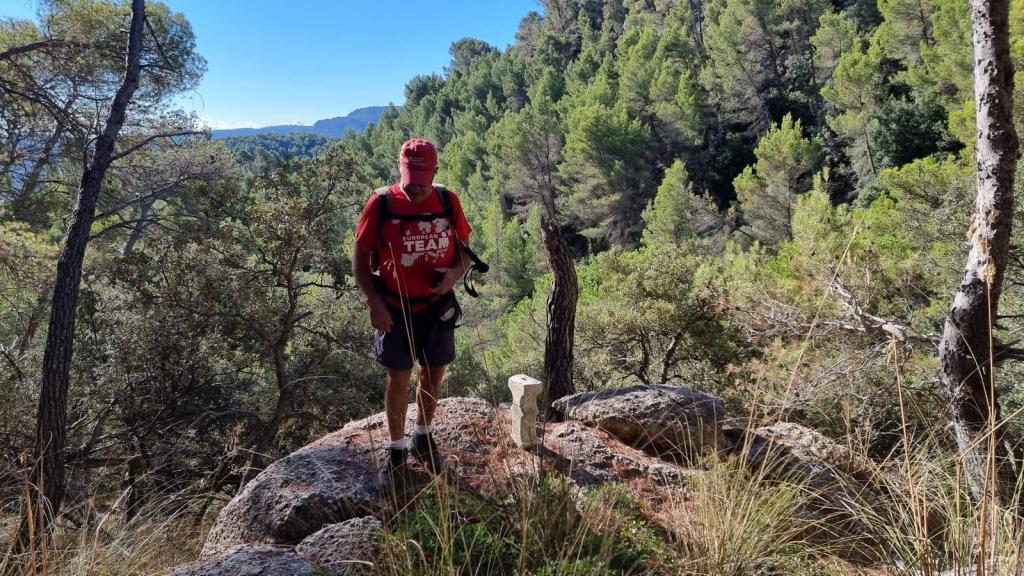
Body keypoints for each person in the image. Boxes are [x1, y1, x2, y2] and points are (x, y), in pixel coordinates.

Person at [351, 138, 472, 490]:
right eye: (410, 178)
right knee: (398, 377)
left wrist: (452, 276)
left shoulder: (448, 201)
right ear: (400, 170)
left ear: (434, 172)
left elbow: (465, 251)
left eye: (422, 178)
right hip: (393, 307)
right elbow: (359, 258)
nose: (416, 187)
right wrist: (373, 301)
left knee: (433, 374)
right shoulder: (381, 203)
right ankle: (396, 449)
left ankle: (423, 435)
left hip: (437, 308)